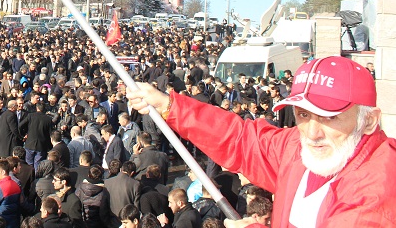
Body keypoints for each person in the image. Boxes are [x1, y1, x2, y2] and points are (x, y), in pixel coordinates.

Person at [127, 55, 396, 227]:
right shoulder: (298, 146)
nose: (312, 133)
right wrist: (168, 105)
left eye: (331, 117)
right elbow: (242, 140)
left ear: (369, 120)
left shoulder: (378, 189)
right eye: (303, 114)